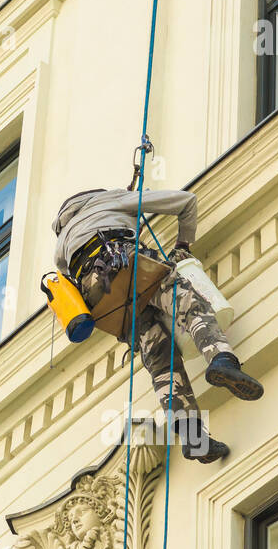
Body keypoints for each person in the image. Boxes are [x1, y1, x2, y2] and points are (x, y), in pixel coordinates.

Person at [53, 187, 263, 463]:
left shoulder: (61, 248)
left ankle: (193, 438)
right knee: (187, 303)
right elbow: (187, 202)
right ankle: (222, 358)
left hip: (105, 302)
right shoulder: (110, 200)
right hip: (125, 264)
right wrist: (183, 245)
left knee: (159, 356)